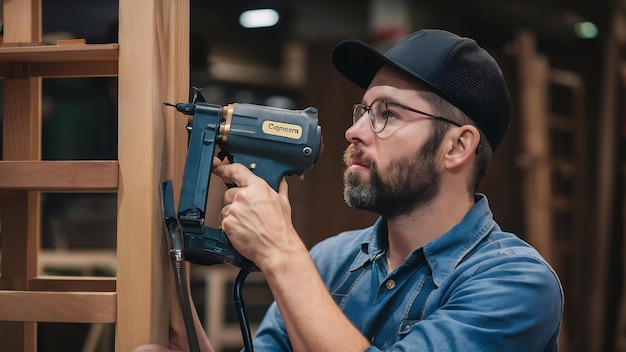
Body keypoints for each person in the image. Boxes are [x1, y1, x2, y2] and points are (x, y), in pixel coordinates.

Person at [133, 28, 563, 352]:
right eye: (363, 110)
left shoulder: (516, 285)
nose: (354, 130)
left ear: (457, 146)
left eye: (388, 114)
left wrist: (281, 252)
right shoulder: (330, 261)